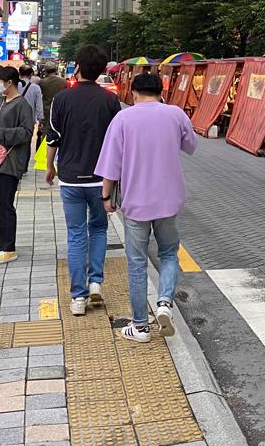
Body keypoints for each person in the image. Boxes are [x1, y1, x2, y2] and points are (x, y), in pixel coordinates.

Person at [96, 72, 197, 343]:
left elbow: (111, 165)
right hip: (168, 201)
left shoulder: (123, 119)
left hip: (136, 203)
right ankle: (165, 302)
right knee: (168, 254)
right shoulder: (175, 114)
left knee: (138, 263)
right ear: (161, 91)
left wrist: (106, 196)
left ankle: (140, 326)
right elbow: (191, 146)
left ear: (134, 93)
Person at [47, 44, 121, 316]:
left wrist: (48, 167)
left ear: (77, 66)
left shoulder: (62, 99)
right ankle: (96, 285)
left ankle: (77, 298)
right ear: (102, 70)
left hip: (70, 179)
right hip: (102, 180)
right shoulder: (110, 101)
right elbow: (117, 142)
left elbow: (53, 137)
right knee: (99, 230)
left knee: (76, 235)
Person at [0, 65, 35, 265]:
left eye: (0, 82)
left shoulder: (22, 105)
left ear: (10, 82)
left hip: (11, 162)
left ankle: (8, 248)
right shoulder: (2, 102)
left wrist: (1, 134)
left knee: (4, 204)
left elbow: (26, 133)